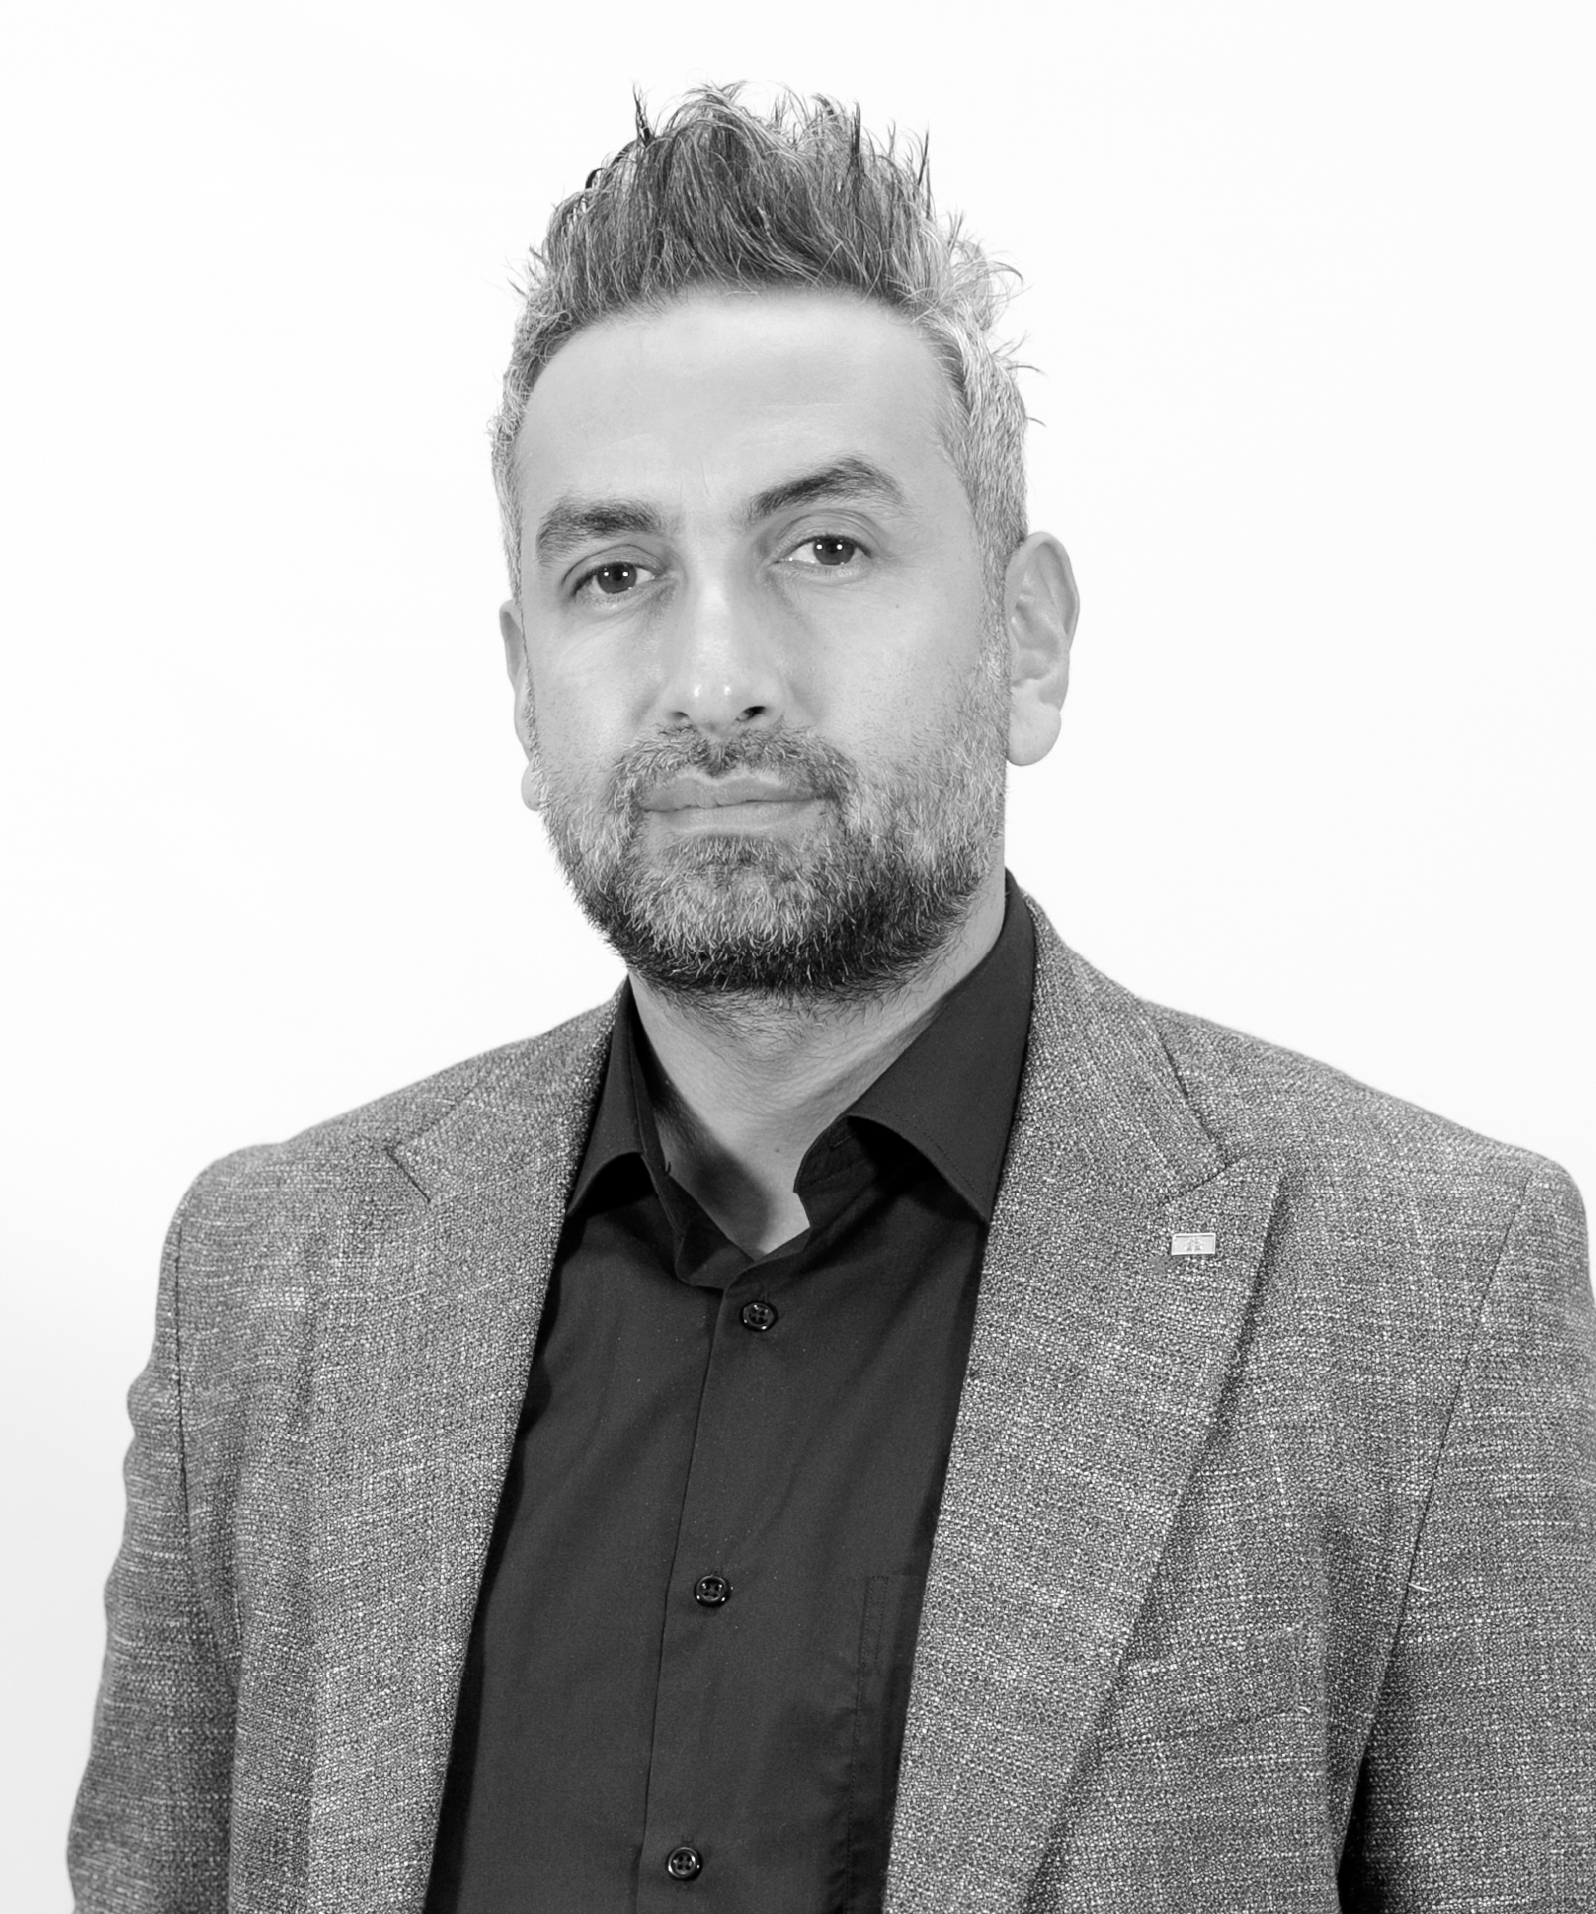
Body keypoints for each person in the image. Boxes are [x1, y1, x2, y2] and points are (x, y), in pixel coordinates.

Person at [69, 84, 1594, 1914]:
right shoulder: (273, 1283)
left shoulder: (1431, 1290)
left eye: (826, 546)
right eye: (616, 571)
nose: (716, 674)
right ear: (525, 687)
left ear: (1028, 640)